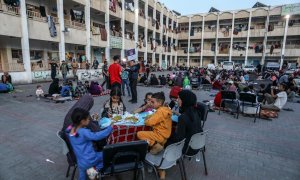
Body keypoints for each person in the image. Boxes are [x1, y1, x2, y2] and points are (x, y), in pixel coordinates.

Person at [162, 90, 203, 179]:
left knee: (162, 139)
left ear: (185, 100)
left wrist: (166, 134)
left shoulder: (183, 117)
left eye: (179, 98)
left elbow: (178, 138)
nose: (177, 100)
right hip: (197, 146)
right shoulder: (196, 112)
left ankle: (161, 164)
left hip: (187, 149)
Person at [66, 108, 112, 180]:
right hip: (90, 159)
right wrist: (109, 129)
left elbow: (71, 131)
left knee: (82, 176)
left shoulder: (70, 129)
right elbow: (97, 136)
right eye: (88, 119)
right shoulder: (83, 132)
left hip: (80, 161)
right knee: (106, 155)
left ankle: (89, 171)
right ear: (82, 121)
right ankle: (95, 170)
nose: (89, 120)